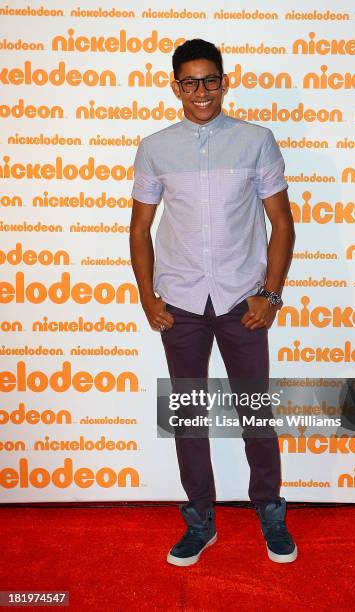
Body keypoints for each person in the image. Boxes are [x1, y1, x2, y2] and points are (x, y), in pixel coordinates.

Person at [129, 38, 297, 567]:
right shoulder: (155, 147)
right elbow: (140, 229)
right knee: (189, 418)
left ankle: (269, 509)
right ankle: (200, 519)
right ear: (175, 86)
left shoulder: (256, 140)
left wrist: (270, 295)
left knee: (255, 416)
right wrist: (147, 296)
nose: (201, 91)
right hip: (179, 304)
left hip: (241, 303)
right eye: (190, 82)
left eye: (211, 80)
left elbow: (282, 224)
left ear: (225, 81)